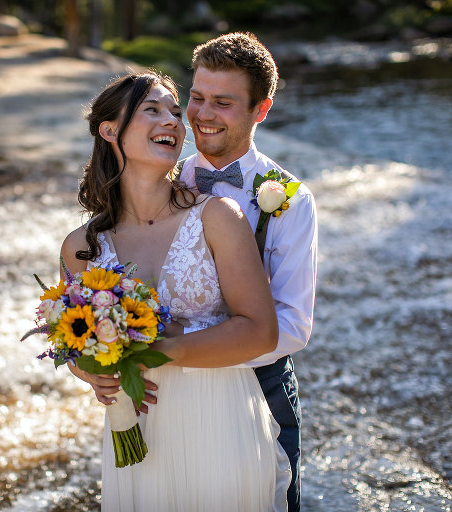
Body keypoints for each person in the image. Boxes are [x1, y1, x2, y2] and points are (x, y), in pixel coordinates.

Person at [72, 33, 318, 512]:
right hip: (154, 398)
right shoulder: (161, 172)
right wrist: (101, 365)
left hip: (253, 386)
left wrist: (182, 353)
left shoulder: (288, 198)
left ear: (260, 110)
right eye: (198, 98)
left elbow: (292, 326)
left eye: (223, 103)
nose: (202, 115)